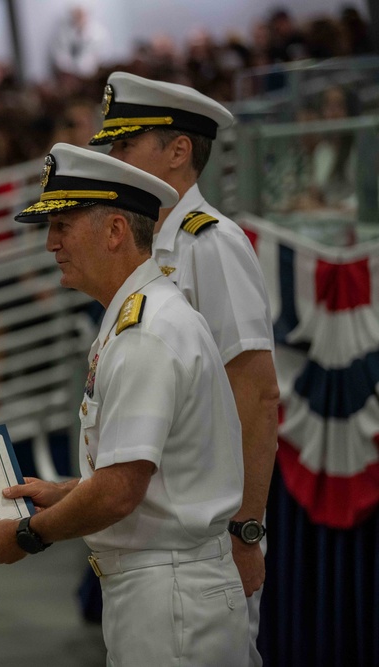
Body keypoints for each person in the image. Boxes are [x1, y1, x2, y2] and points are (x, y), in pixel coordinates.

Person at [0, 144, 248, 665]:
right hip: (163, 585)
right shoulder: (138, 318)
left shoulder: (146, 332)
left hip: (169, 596)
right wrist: (67, 492)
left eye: (63, 225)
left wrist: (28, 534)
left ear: (116, 230)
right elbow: (147, 476)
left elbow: (121, 492)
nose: (51, 243)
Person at [90, 71, 279, 666]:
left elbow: (256, 393)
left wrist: (247, 529)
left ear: (177, 151)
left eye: (125, 145)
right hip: (159, 530)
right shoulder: (150, 245)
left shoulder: (210, 243)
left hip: (204, 539)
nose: (114, 160)